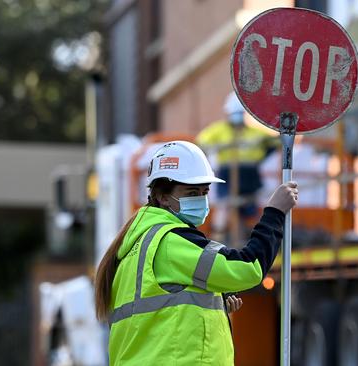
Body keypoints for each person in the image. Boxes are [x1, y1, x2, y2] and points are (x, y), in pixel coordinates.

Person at [94, 140, 297, 366]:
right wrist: (274, 212)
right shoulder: (170, 241)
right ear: (162, 197)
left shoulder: (133, 248)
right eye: (191, 192)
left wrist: (215, 305)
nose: (200, 199)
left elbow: (158, 320)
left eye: (204, 191)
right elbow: (247, 267)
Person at [196, 92, 278, 238]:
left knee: (250, 207)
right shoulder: (218, 130)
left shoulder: (254, 133)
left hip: (249, 174)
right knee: (225, 206)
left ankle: (251, 238)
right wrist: (222, 146)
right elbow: (201, 143)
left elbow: (274, 143)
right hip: (228, 173)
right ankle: (217, 239)